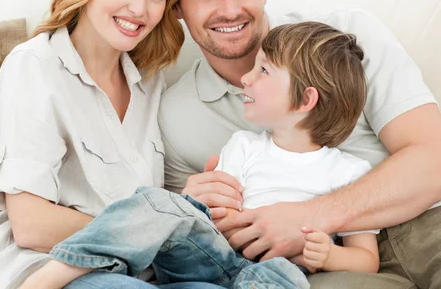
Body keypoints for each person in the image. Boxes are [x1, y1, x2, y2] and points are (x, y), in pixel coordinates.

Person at [160, 0, 441, 288]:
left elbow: (434, 157)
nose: (230, 9)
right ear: (177, 5)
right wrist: (194, 206)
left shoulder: (343, 41)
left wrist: (308, 218)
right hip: (306, 270)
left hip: (423, 229)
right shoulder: (177, 115)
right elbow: (197, 239)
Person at [24, 21, 379, 289]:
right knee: (160, 204)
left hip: (270, 272)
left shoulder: (349, 174)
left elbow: (366, 259)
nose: (246, 79)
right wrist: (214, 213)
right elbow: (210, 219)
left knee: (286, 277)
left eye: (264, 70)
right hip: (211, 255)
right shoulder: (244, 145)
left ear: (306, 100)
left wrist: (329, 255)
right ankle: (60, 270)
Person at [0, 0, 222, 289]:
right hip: (46, 267)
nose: (139, 9)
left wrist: (183, 207)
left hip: (132, 270)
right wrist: (146, 227)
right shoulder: (35, 66)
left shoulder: (149, 80)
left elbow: (152, 202)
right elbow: (30, 224)